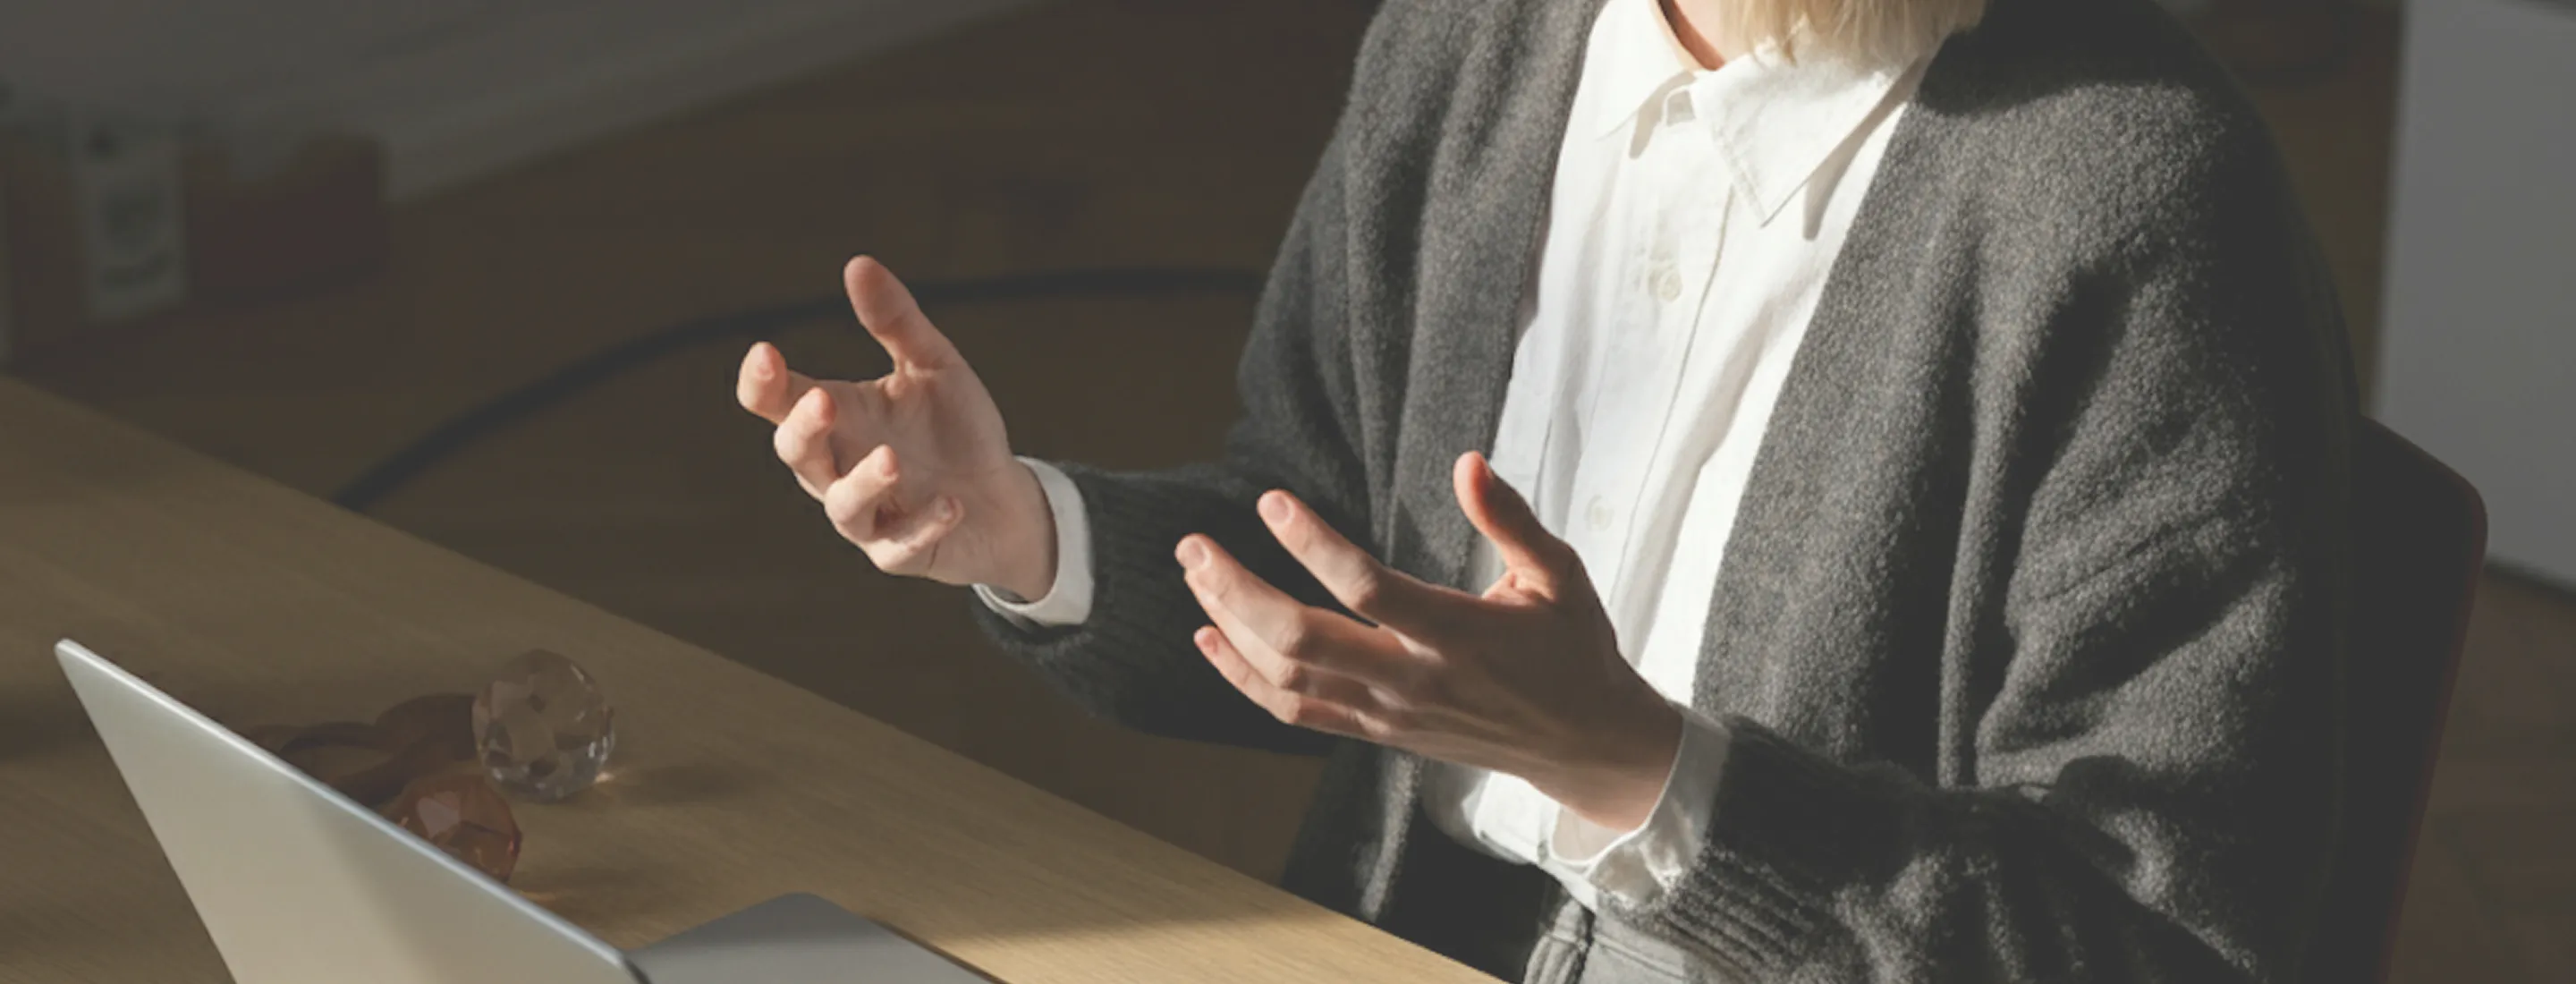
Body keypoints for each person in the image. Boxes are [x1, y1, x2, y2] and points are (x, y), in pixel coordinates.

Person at [734, 0, 2356, 979]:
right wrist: (1027, 529)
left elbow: (2165, 944)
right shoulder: (1478, 42)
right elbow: (1329, 546)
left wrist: (1639, 763)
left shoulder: (2134, 193)